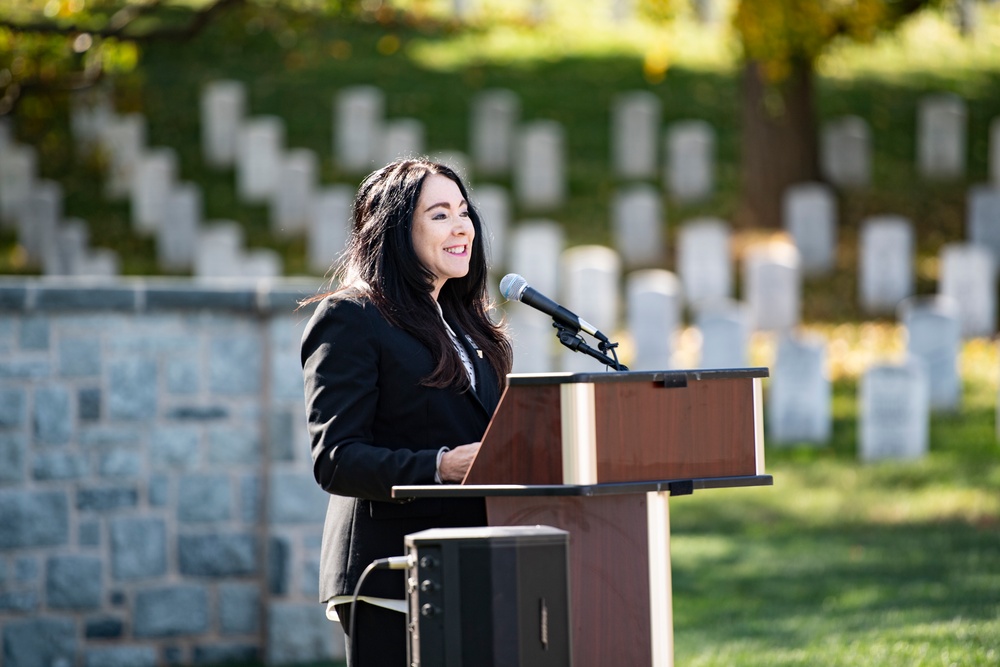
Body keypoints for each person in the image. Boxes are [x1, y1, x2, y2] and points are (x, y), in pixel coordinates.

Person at [299, 158, 513, 665]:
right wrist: (440, 466)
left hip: (470, 563)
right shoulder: (352, 317)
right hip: (392, 571)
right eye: (440, 215)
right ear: (396, 230)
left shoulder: (466, 326)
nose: (462, 226)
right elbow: (336, 458)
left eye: (464, 211)